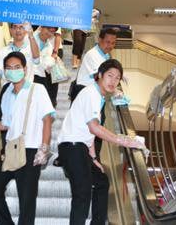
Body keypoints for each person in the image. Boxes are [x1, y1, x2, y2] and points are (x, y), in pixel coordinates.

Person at [0, 52, 55, 225]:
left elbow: (48, 119)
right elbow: (6, 124)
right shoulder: (7, 92)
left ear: (25, 69)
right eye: (8, 68)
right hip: (9, 150)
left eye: (17, 67)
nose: (12, 71)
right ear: (5, 71)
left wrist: (44, 147)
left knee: (27, 201)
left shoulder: (37, 89)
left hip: (30, 150)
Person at [58, 59, 146, 225]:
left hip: (80, 148)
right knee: (82, 195)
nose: (113, 81)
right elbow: (94, 128)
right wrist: (123, 140)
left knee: (101, 182)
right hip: (72, 148)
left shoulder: (98, 97)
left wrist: (93, 159)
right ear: (99, 75)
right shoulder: (91, 93)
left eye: (117, 78)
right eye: (110, 76)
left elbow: (87, 132)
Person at [0, 22, 40, 97]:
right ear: (10, 30)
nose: (18, 30)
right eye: (15, 27)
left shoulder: (31, 49)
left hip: (26, 92)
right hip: (7, 92)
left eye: (21, 27)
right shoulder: (3, 51)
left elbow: (36, 58)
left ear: (26, 30)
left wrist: (31, 36)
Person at [32, 26, 59, 106]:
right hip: (32, 74)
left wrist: (52, 60)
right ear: (41, 27)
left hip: (41, 74)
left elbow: (46, 64)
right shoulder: (30, 39)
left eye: (52, 32)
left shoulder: (48, 45)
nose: (49, 34)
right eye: (48, 30)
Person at [72, 0, 88, 69]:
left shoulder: (87, 3)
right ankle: (74, 61)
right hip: (76, 24)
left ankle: (78, 61)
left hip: (84, 26)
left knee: (82, 44)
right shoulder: (74, 2)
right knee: (77, 41)